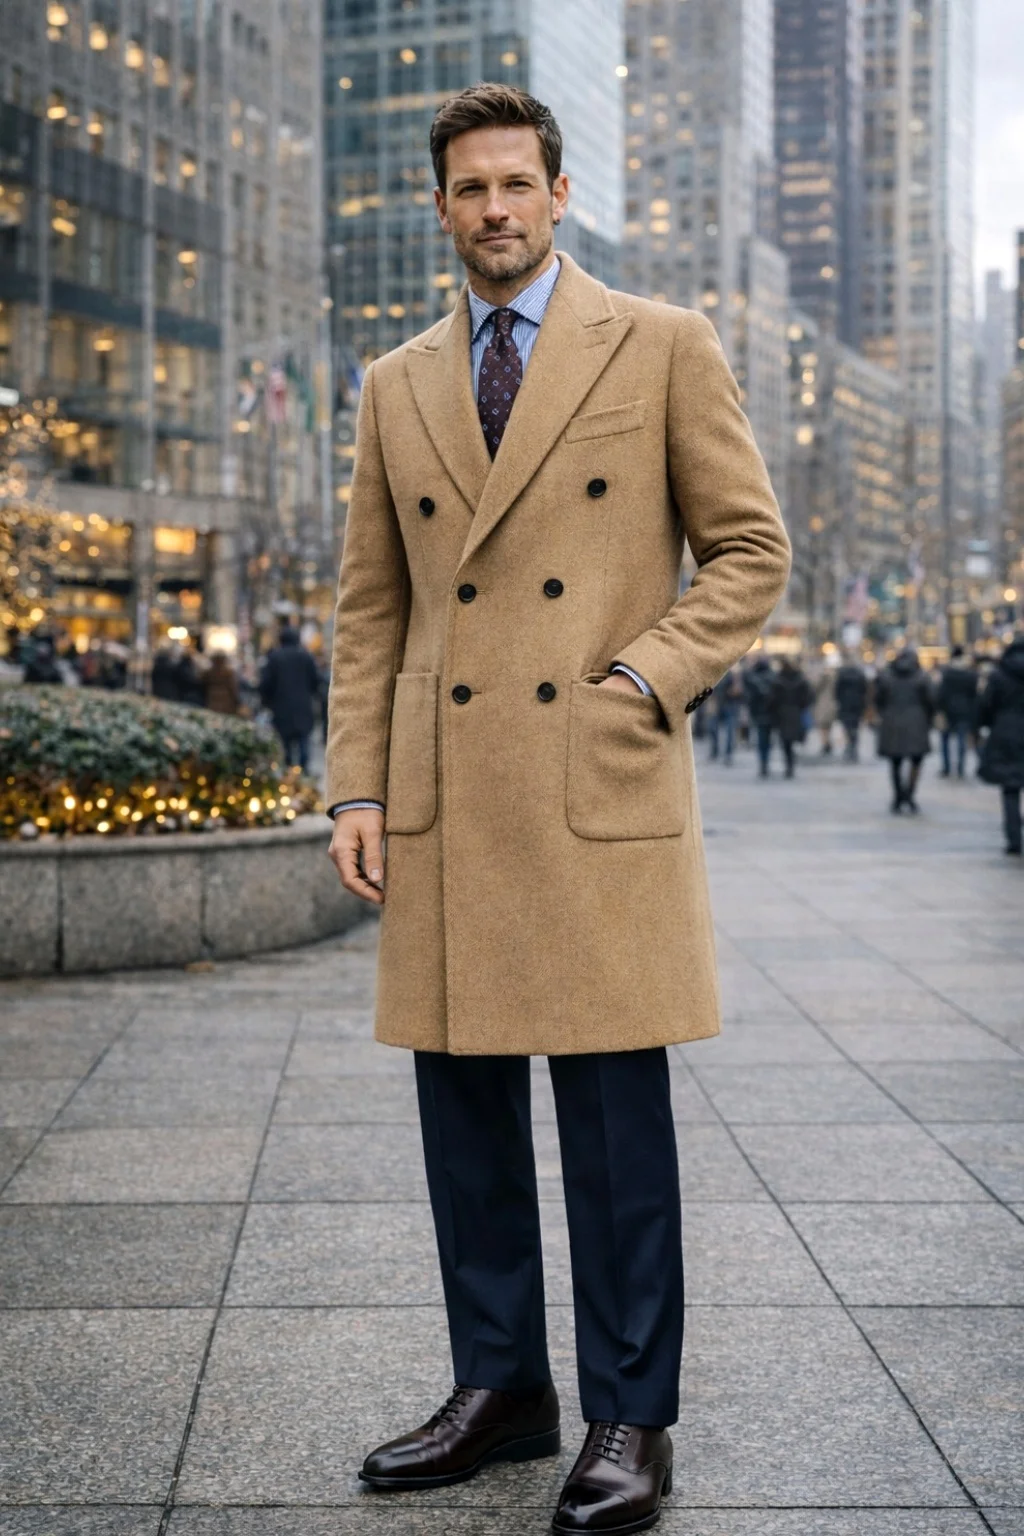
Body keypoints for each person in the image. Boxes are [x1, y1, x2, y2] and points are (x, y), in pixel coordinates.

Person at [323, 84, 790, 1536]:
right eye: (471, 190)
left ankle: (629, 1416)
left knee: (611, 1128)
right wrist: (355, 781)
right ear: (441, 208)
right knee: (462, 1112)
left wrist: (642, 682)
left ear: (560, 192)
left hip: (594, 779)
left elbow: (750, 549)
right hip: (450, 794)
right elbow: (369, 606)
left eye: (517, 184)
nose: (496, 210)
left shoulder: (660, 345)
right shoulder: (396, 381)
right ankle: (499, 1388)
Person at [976, 634, 1024, 855]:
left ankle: (1014, 838)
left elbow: (987, 705)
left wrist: (987, 724)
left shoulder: (999, 675)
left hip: (1006, 731)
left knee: (1010, 788)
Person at [875, 647, 934, 813]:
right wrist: (928, 719)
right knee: (916, 761)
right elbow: (930, 701)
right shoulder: (921, 677)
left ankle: (898, 796)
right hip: (917, 721)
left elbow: (879, 699)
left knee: (895, 763)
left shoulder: (887, 676)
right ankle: (909, 794)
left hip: (892, 721)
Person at [260, 624, 320, 771]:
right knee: (303, 741)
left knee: (284, 744)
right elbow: (316, 681)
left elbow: (266, 683)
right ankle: (303, 772)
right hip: (302, 707)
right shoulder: (306, 656)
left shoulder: (274, 657)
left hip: (281, 708)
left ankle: (288, 774)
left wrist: (267, 702)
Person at [937, 643, 978, 779]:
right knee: (961, 741)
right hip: (964, 710)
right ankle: (960, 768)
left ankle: (947, 768)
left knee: (945, 741)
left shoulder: (946, 672)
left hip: (948, 709)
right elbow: (974, 694)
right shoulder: (970, 673)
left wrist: (940, 709)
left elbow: (941, 693)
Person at [770, 657, 813, 778]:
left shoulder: (778, 680)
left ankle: (789, 764)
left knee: (785, 742)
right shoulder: (801, 680)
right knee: (793, 739)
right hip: (796, 713)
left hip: (782, 714)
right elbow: (808, 697)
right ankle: (791, 764)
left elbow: (773, 699)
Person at [744, 655, 777, 776]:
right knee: (767, 740)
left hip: (759, 714)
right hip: (770, 714)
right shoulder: (773, 677)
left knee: (761, 740)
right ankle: (765, 762)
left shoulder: (752, 677)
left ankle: (763, 763)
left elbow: (749, 697)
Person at [834, 655, 869, 761]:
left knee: (846, 726)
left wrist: (839, 700)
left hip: (845, 703)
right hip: (857, 703)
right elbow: (864, 689)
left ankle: (849, 745)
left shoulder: (842, 674)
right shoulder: (860, 674)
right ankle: (853, 745)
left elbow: (837, 690)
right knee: (855, 726)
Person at [708, 667, 741, 764]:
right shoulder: (714, 673)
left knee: (730, 731)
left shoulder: (732, 674)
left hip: (729, 705)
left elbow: (737, 691)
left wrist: (734, 688)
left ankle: (728, 753)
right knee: (712, 728)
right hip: (717, 704)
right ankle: (715, 750)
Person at [203, 651, 240, 715]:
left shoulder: (209, 672)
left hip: (218, 700)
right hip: (220, 700)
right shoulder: (228, 672)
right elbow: (233, 688)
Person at [813, 659, 838, 756]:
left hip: (823, 705)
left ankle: (826, 743)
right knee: (827, 726)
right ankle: (827, 742)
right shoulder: (834, 678)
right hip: (830, 704)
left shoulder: (823, 678)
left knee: (823, 726)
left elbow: (815, 688)